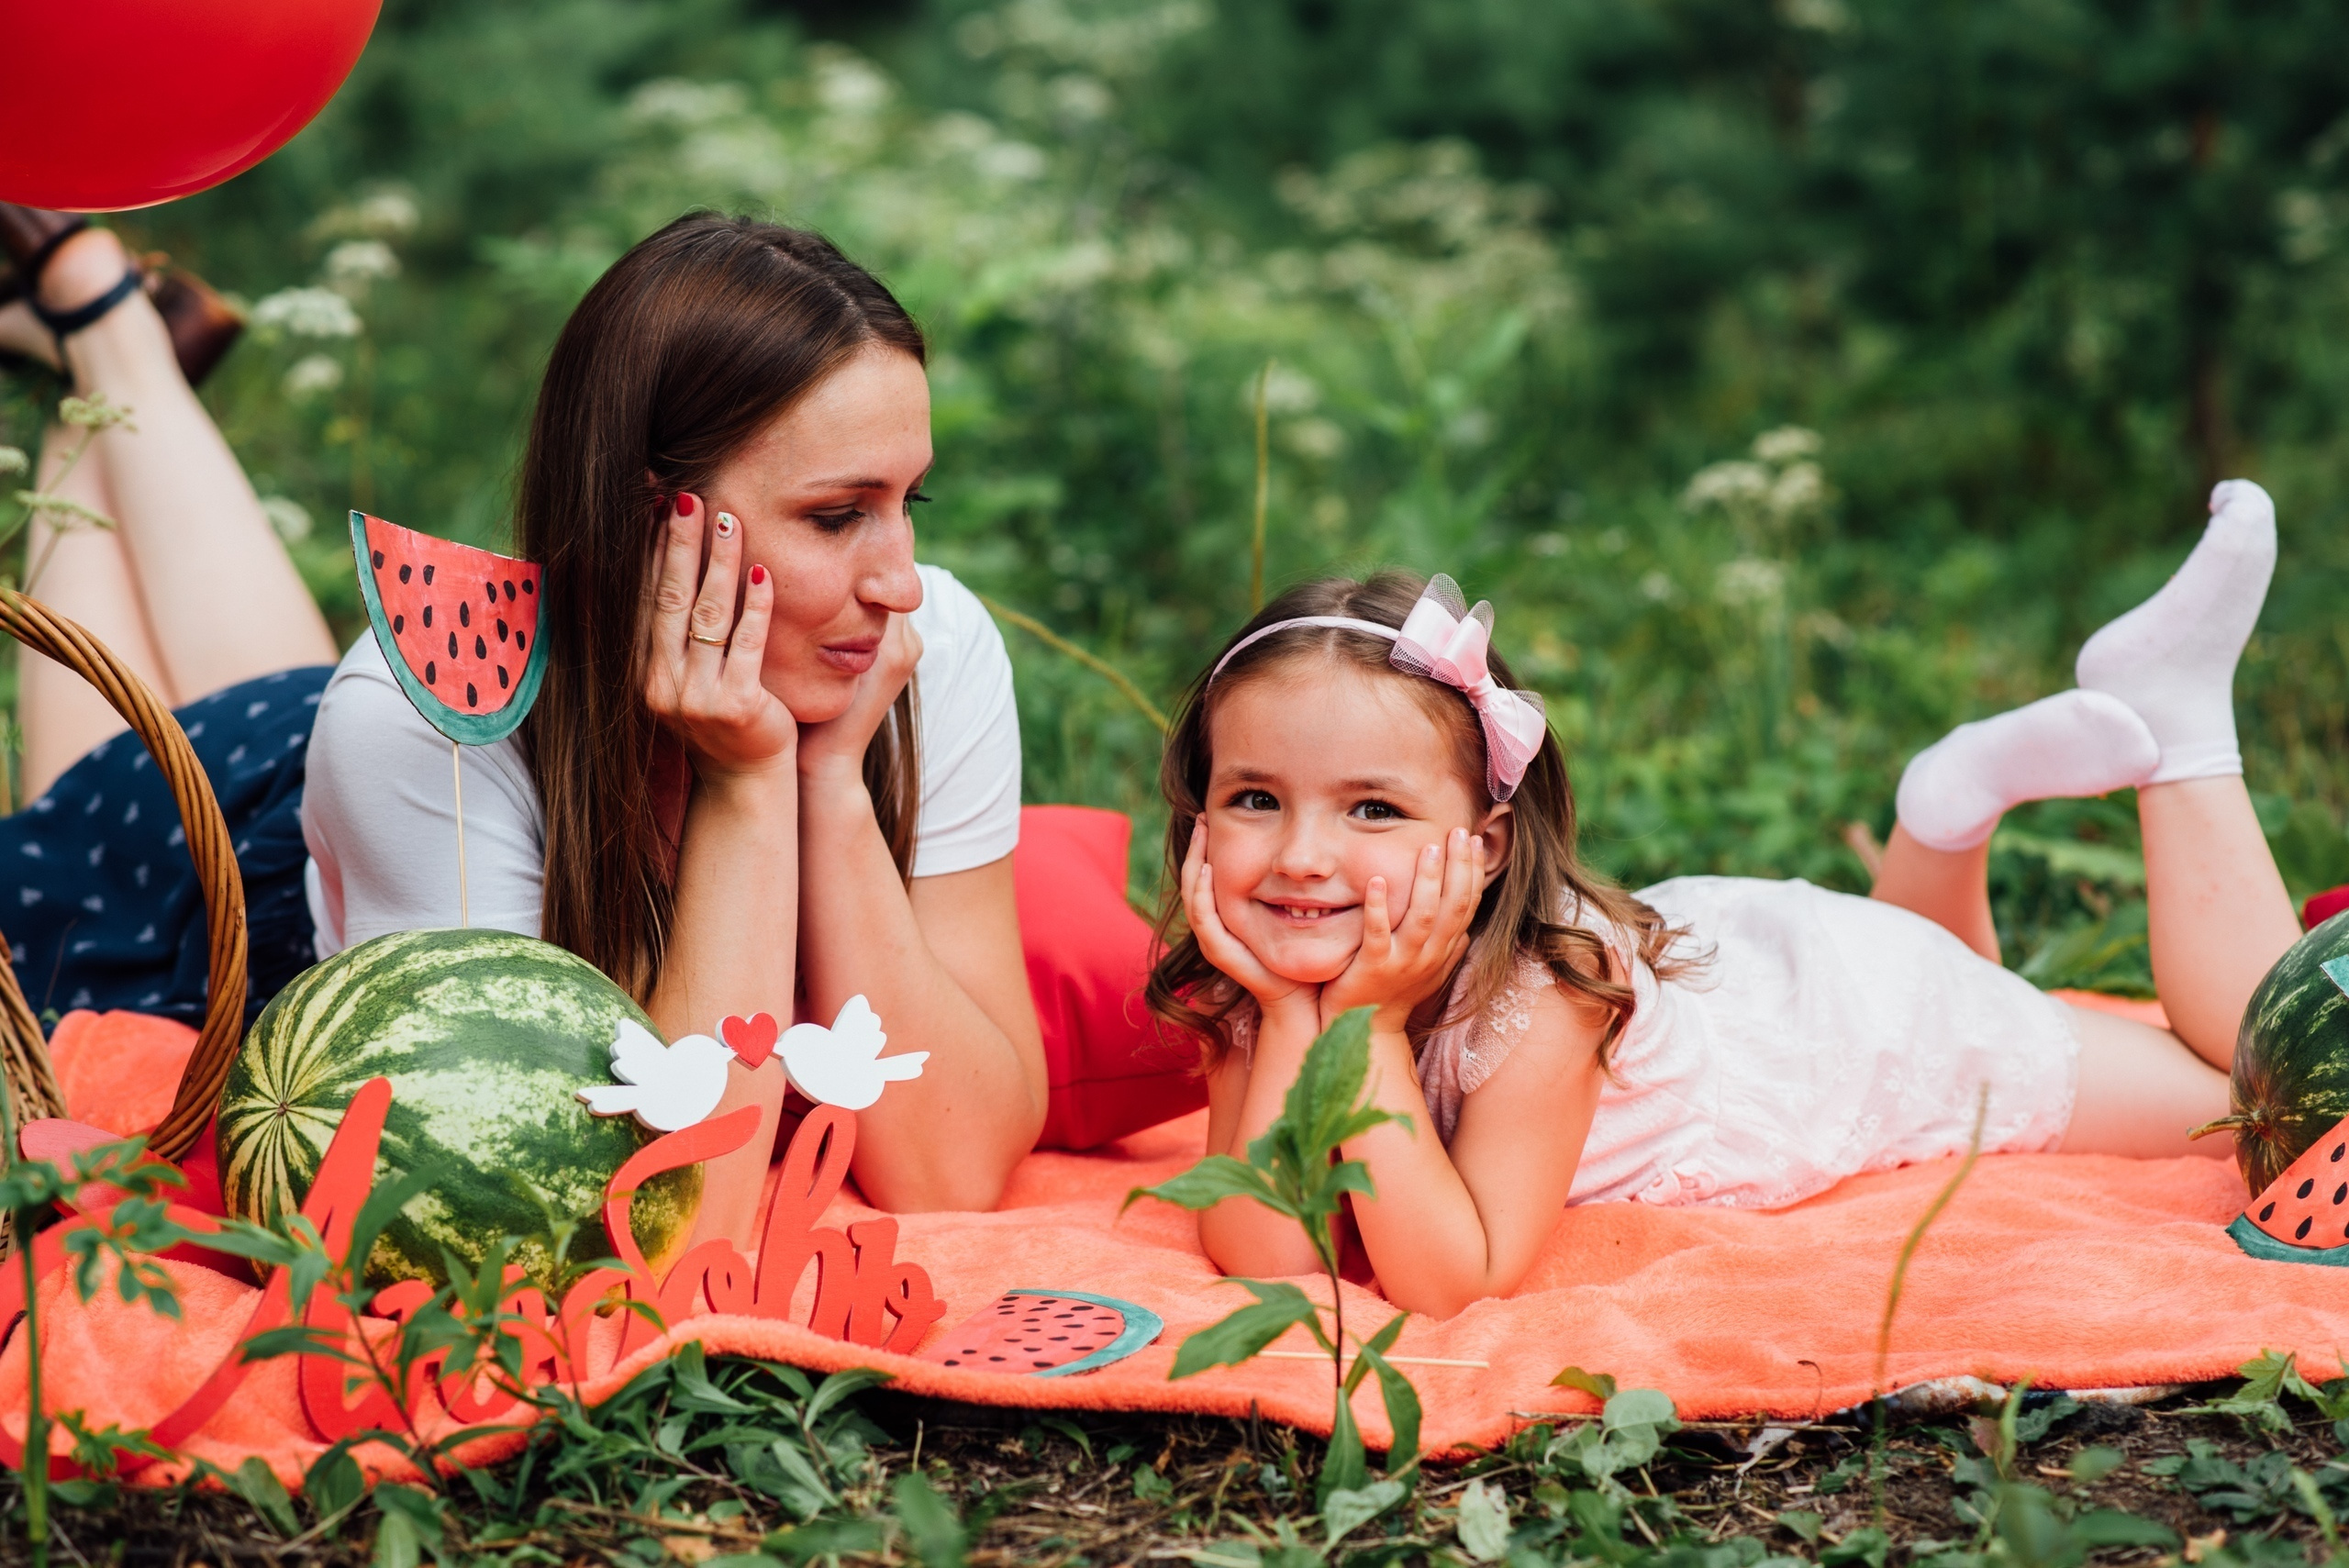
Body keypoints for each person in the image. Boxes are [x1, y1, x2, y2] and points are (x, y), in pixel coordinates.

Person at [0, 209, 1054, 1237]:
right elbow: (670, 1216)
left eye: (908, 503)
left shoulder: (921, 647)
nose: (902, 585)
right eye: (836, 515)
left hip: (361, 752)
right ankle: (112, 332)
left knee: (200, 590)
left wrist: (826, 783)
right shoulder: (417, 728)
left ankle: (100, 340)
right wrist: (743, 782)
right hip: (213, 850)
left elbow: (951, 1164)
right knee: (108, 736)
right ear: (655, 518)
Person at [1149, 482, 2296, 1318]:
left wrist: (1361, 1027)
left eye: (1371, 810)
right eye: (1255, 796)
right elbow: (1264, 1248)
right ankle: (1941, 819)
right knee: (1990, 979)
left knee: (2253, 1096)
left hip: (1862, 1021)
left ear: (1487, 846)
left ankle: (2180, 724)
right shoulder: (1262, 971)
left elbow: (1456, 1275)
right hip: (1757, 964)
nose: (1300, 856)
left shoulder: (1547, 994)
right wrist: (1299, 1018)